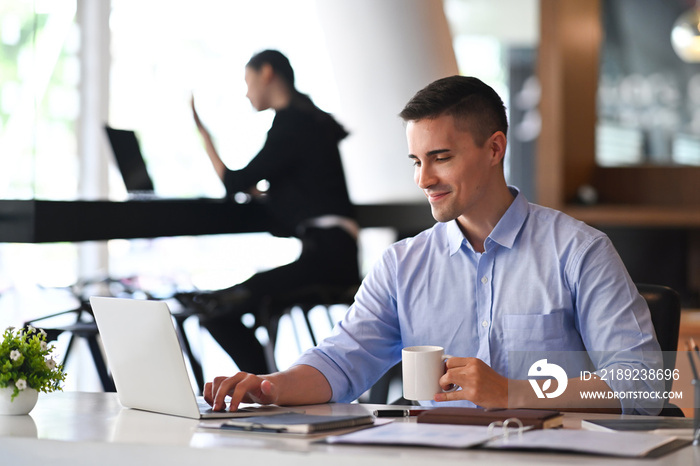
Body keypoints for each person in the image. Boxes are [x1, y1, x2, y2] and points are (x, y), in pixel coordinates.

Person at [203, 75, 664, 415]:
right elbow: (341, 364)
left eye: (441, 158)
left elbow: (646, 385)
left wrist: (513, 391)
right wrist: (270, 387)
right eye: (416, 161)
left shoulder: (579, 251)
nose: (424, 179)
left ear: (494, 148)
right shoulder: (403, 264)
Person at [185, 50, 360, 374]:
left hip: (326, 257)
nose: (247, 92)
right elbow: (305, 183)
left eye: (248, 81)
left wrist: (202, 132)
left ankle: (265, 386)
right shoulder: (307, 120)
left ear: (267, 73)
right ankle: (267, 381)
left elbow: (234, 181)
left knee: (216, 308)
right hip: (336, 252)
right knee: (232, 303)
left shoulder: (292, 123)